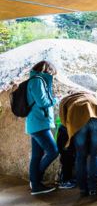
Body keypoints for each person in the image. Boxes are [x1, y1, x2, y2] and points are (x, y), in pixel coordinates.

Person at [59, 91, 97, 197]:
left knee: (80, 156)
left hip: (77, 119)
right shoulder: (91, 96)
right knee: (96, 155)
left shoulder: (67, 100)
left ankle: (83, 189)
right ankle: (93, 189)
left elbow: (63, 120)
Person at [25, 61, 59, 195]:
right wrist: (56, 100)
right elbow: (42, 102)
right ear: (48, 70)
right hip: (39, 123)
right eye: (52, 73)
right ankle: (35, 181)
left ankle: (35, 184)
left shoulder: (35, 80)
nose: (53, 76)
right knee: (53, 151)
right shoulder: (37, 81)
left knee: (37, 155)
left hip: (36, 123)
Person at [56, 124, 76, 189]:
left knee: (69, 161)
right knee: (66, 163)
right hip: (64, 146)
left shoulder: (63, 127)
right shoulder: (63, 128)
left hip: (66, 146)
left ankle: (68, 179)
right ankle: (64, 181)